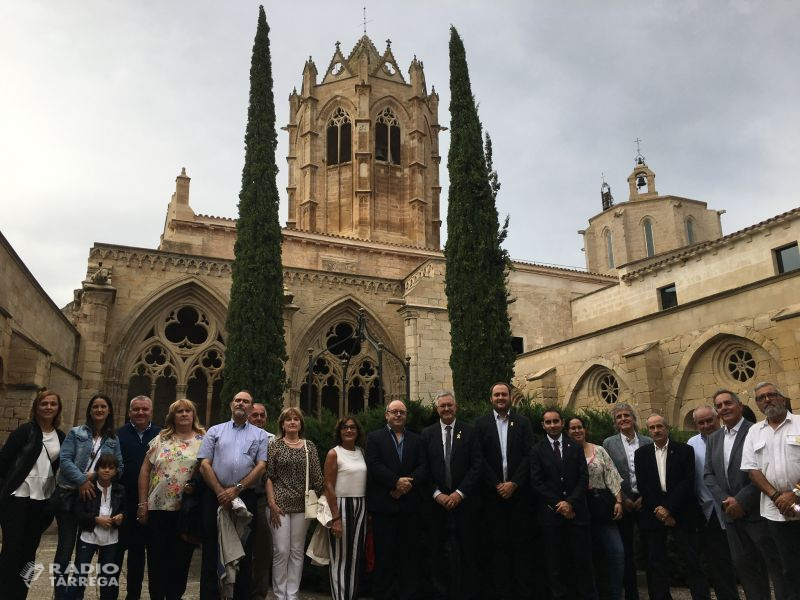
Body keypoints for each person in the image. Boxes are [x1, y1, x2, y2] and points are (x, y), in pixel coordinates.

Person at [704, 389, 789, 600]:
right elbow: (708, 474)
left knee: (775, 567)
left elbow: (763, 471)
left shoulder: (757, 431)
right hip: (730, 517)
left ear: (740, 406)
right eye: (719, 405)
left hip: (757, 512)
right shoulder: (714, 438)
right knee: (746, 569)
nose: (724, 408)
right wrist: (727, 501)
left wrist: (740, 501)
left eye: (728, 403)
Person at [197, 390, 268, 600]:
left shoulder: (260, 435)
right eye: (238, 400)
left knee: (243, 552)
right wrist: (221, 492)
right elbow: (204, 464)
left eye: (246, 401)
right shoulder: (215, 431)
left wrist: (236, 490)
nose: (241, 404)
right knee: (211, 549)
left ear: (250, 407)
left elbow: (261, 466)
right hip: (215, 497)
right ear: (231, 405)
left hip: (245, 497)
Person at [53, 393, 124, 600]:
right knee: (65, 551)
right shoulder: (76, 433)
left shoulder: (112, 439)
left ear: (109, 410)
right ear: (90, 410)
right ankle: (61, 595)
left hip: (94, 498)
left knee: (85, 551)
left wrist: (95, 477)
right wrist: (82, 481)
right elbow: (64, 460)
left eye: (103, 407)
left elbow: (120, 467)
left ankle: (77, 594)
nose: (99, 410)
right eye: (95, 407)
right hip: (69, 493)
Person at [634, 414, 710, 600]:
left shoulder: (685, 451)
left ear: (667, 428)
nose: (656, 430)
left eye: (659, 426)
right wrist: (660, 510)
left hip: (682, 511)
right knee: (656, 562)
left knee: (691, 560)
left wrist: (668, 508)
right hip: (654, 513)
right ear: (647, 430)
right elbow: (644, 485)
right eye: (652, 428)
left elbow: (687, 481)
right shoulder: (641, 454)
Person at [0, 390, 66, 600]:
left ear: (58, 409)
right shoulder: (24, 431)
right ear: (36, 407)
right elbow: (4, 462)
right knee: (11, 550)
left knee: (29, 553)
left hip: (41, 501)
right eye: (44, 403)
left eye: (52, 404)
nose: (48, 407)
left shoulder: (60, 436)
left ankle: (20, 594)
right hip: (17, 497)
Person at [137, 398, 205, 600]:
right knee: (157, 560)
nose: (184, 414)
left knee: (181, 561)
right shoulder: (161, 439)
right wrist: (142, 504)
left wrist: (197, 486)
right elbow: (145, 471)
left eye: (188, 411)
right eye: (179, 411)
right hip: (158, 509)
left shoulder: (204, 439)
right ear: (172, 416)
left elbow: (209, 470)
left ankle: (174, 596)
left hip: (186, 511)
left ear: (193, 415)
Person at [473, 382, 534, 600]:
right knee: (496, 547)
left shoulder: (523, 423)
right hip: (492, 496)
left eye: (504, 394)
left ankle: (522, 593)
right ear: (491, 398)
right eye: (496, 395)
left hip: (518, 496)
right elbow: (478, 458)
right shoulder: (480, 425)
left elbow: (529, 456)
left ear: (510, 397)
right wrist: (497, 484)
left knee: (520, 546)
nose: (500, 398)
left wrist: (514, 483)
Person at [420, 392, 482, 600]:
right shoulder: (427, 434)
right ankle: (440, 594)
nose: (446, 409)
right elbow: (423, 469)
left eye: (449, 405)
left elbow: (476, 466)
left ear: (456, 407)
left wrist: (459, 493)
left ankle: (466, 594)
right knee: (437, 553)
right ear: (437, 409)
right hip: (436, 506)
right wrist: (437, 494)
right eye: (442, 406)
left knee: (467, 551)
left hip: (464, 504)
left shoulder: (469, 432)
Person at [740, 382, 800, 594]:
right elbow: (752, 469)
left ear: (782, 398)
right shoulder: (754, 432)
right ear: (757, 404)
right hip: (775, 512)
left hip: (798, 502)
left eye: (771, 395)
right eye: (761, 398)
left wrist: (795, 494)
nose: (767, 400)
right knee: (787, 567)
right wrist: (777, 497)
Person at [531, 409, 596, 600]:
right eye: (548, 422)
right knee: (556, 565)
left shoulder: (575, 447)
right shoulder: (537, 450)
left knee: (583, 563)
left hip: (577, 514)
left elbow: (583, 479)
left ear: (562, 423)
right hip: (552, 517)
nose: (552, 425)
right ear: (543, 426)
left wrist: (570, 503)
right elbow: (537, 482)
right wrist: (558, 504)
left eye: (555, 421)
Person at [365, 399, 426, 600]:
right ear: (387, 415)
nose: (398, 415)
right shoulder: (375, 438)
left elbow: (423, 467)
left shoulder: (417, 439)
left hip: (409, 508)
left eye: (402, 412)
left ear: (406, 416)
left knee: (409, 557)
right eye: (394, 412)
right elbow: (374, 465)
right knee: (384, 558)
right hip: (384, 506)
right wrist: (395, 483)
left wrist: (404, 486)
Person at [267, 406, 323, 600]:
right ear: (282, 424)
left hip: (302, 506)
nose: (292, 422)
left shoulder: (309, 447)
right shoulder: (275, 445)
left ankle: (292, 594)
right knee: (281, 551)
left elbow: (317, 478)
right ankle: (279, 594)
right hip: (279, 505)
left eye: (296, 419)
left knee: (297, 551)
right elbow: (269, 477)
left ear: (301, 424)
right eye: (288, 419)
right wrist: (272, 504)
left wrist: (327, 500)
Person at [567, 416, 625, 600]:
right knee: (588, 556)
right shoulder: (566, 453)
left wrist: (618, 501)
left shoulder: (598, 450)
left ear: (585, 429)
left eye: (580, 427)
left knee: (616, 552)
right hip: (579, 507)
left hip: (602, 506)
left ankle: (615, 594)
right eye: (573, 428)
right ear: (567, 432)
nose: (577, 431)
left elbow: (612, 475)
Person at [686, 406, 739, 600]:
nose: (707, 425)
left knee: (745, 560)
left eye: (710, 420)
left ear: (718, 418)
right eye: (701, 423)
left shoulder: (730, 438)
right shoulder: (691, 444)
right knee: (719, 564)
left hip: (738, 508)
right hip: (711, 513)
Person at [602, 402, 653, 600]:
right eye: (619, 417)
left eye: (626, 415)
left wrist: (644, 497)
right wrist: (623, 498)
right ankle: (632, 594)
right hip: (623, 501)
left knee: (650, 550)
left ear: (633, 418)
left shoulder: (647, 441)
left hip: (645, 501)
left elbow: (653, 474)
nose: (623, 419)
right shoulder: (609, 443)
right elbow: (609, 474)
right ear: (615, 422)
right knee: (627, 552)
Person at [115, 395, 160, 600]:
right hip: (122, 503)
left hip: (150, 502)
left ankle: (143, 595)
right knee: (119, 552)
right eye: (136, 409)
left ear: (151, 411)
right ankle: (119, 594)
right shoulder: (118, 434)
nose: (140, 413)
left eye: (145, 409)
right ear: (129, 411)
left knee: (144, 553)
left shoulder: (161, 435)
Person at [68, 453, 126, 600]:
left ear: (116, 471)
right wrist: (95, 520)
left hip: (110, 538)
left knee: (107, 577)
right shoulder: (88, 488)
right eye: (103, 467)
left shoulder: (119, 490)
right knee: (80, 575)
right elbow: (78, 513)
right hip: (88, 536)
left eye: (111, 468)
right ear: (97, 469)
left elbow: (125, 510)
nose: (106, 470)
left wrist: (121, 516)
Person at [323, 415, 367, 600]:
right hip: (341, 505)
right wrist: (336, 518)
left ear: (357, 432)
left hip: (360, 505)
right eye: (345, 428)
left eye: (352, 428)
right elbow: (328, 486)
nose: (349, 431)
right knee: (340, 558)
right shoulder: (334, 453)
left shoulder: (361, 452)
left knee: (355, 558)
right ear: (339, 432)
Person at [247, 402, 276, 600]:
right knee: (238, 547)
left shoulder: (272, 441)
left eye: (261, 415)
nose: (258, 418)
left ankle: (258, 594)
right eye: (254, 415)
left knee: (263, 550)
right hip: (239, 496)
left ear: (266, 419)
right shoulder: (238, 436)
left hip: (262, 500)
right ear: (248, 417)